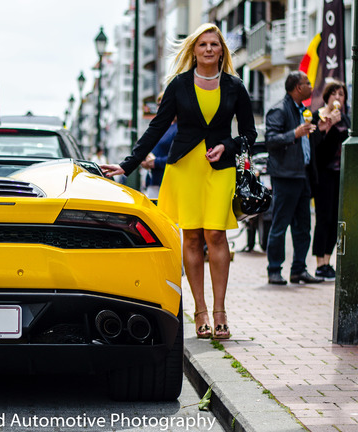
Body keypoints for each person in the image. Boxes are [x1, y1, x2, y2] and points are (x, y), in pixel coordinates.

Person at [100, 23, 256, 339]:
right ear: (194, 50)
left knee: (216, 233)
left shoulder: (235, 86)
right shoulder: (179, 85)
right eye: (203, 44)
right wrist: (127, 164)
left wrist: (229, 144)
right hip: (184, 167)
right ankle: (199, 311)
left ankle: (220, 310)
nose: (209, 49)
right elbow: (156, 128)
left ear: (222, 50)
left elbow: (250, 133)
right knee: (193, 236)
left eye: (215, 44)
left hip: (219, 167)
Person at [264, 71, 323, 285]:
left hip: (302, 175)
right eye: (307, 83)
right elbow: (270, 140)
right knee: (280, 225)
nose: (311, 87)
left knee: (303, 227)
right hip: (285, 176)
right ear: (298, 88)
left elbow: (308, 143)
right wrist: (294, 134)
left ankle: (299, 269)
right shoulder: (279, 110)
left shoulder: (303, 110)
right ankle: (274, 270)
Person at [311, 80, 349, 281]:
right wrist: (329, 127)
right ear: (327, 96)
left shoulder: (346, 120)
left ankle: (328, 260)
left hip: (340, 174)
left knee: (336, 219)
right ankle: (319, 263)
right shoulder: (318, 117)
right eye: (334, 94)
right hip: (323, 174)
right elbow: (319, 151)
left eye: (341, 94)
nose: (337, 97)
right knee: (323, 217)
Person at [140, 91, 176, 198]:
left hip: (167, 180)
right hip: (153, 179)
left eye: (163, 104)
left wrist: (155, 162)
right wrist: (145, 160)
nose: (160, 108)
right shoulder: (162, 127)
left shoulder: (178, 128)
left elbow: (178, 157)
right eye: (159, 105)